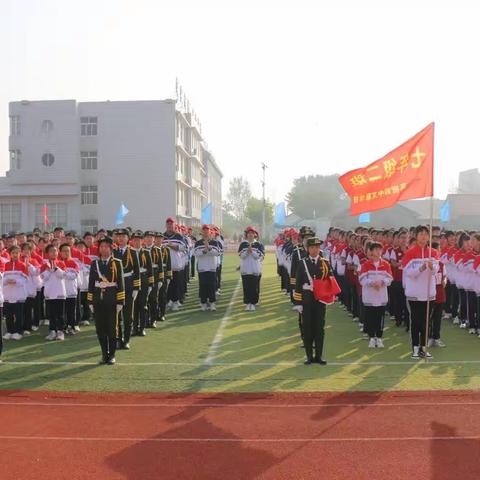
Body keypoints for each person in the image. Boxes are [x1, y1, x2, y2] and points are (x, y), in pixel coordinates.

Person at [293, 237, 334, 365]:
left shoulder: (325, 263)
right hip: (306, 299)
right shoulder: (302, 263)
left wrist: (328, 295)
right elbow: (298, 284)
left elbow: (330, 280)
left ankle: (319, 356)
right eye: (312, 247)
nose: (315, 250)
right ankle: (309, 356)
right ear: (307, 249)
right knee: (307, 328)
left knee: (319, 328)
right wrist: (298, 303)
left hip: (320, 299)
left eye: (317, 247)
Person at [402, 225, 439, 359]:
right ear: (416, 236)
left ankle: (424, 347)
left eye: (425, 234)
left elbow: (436, 271)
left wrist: (431, 267)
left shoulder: (433, 253)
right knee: (416, 321)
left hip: (429, 293)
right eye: (421, 234)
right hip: (415, 294)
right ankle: (415, 348)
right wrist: (422, 268)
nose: (423, 236)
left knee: (426, 322)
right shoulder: (410, 253)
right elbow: (409, 273)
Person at [87, 236, 125, 365]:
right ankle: (104, 354)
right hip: (98, 300)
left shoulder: (117, 263)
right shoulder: (94, 263)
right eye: (101, 247)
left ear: (110, 248)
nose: (103, 249)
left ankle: (112, 354)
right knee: (100, 329)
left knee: (112, 329)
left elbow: (120, 283)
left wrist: (120, 302)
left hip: (112, 299)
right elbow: (91, 283)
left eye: (105, 247)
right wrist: (90, 301)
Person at [358, 242, 393, 348]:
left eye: (380, 250)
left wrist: (382, 282)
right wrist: (372, 283)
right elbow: (362, 279)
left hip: (381, 296)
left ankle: (379, 337)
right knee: (370, 317)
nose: (378, 252)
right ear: (371, 251)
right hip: (369, 296)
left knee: (380, 317)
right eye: (376, 250)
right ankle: (372, 338)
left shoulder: (386, 264)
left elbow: (390, 278)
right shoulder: (366, 265)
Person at [113, 228, 140, 350]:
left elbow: (137, 271)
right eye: (118, 236)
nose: (121, 238)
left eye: (123, 236)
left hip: (129, 285)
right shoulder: (113, 251)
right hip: (117, 286)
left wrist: (136, 288)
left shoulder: (133, 252)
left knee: (128, 314)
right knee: (117, 314)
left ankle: (126, 339)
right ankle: (118, 339)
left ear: (128, 238)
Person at [40, 245, 67, 341]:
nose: (54, 253)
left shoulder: (61, 263)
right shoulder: (44, 265)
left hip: (60, 292)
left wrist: (56, 268)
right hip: (49, 293)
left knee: (60, 314)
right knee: (51, 314)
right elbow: (44, 277)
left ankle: (60, 332)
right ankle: (52, 331)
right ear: (47, 253)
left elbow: (63, 276)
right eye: (51, 251)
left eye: (55, 251)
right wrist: (48, 270)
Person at [2, 245, 28, 341]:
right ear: (10, 254)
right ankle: (10, 331)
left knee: (18, 314)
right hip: (8, 294)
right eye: (13, 253)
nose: (15, 255)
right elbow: (2, 278)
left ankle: (18, 332)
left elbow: (25, 279)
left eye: (17, 253)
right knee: (9, 315)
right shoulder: (5, 265)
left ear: (20, 253)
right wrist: (6, 281)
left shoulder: (23, 265)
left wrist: (16, 281)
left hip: (19, 294)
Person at [194, 225, 221, 311]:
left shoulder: (214, 242)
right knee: (203, 286)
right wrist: (203, 251)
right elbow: (196, 254)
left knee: (211, 286)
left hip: (211, 268)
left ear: (210, 232)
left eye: (207, 230)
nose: (205, 232)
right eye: (204, 230)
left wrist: (209, 248)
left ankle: (212, 303)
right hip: (202, 268)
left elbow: (217, 253)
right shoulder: (198, 243)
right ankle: (203, 303)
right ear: (201, 232)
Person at [131, 230, 153, 336]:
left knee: (143, 305)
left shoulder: (146, 252)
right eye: (135, 240)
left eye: (139, 240)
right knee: (133, 305)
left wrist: (150, 284)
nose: (137, 242)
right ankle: (134, 327)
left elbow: (150, 269)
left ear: (142, 241)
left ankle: (142, 327)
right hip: (132, 280)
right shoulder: (129, 252)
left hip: (143, 279)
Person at [238, 226, 265, 311]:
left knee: (254, 287)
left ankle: (253, 303)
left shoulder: (259, 245)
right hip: (245, 269)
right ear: (246, 234)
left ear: (255, 235)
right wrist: (247, 251)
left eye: (252, 233)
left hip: (255, 269)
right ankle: (247, 303)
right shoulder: (243, 244)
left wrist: (251, 251)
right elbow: (241, 256)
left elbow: (259, 257)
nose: (250, 235)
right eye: (249, 233)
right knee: (246, 287)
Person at [163, 217, 186, 311]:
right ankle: (169, 301)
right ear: (166, 225)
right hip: (165, 265)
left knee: (176, 284)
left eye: (171, 224)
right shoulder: (162, 236)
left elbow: (184, 247)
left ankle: (176, 301)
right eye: (168, 224)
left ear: (174, 225)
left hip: (176, 264)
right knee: (168, 285)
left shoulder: (179, 236)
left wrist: (172, 246)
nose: (169, 226)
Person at [59, 243, 81, 335]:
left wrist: (64, 274)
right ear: (60, 252)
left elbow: (74, 275)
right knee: (62, 312)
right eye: (64, 251)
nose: (66, 253)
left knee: (71, 311)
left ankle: (71, 326)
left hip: (71, 291)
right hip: (60, 292)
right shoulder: (57, 263)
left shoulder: (73, 263)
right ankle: (62, 328)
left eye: (68, 251)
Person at [143, 231, 164, 328]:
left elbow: (160, 265)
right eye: (147, 237)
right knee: (144, 300)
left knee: (153, 299)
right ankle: (145, 320)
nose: (149, 239)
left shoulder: (157, 250)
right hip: (144, 276)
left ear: (153, 239)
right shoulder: (141, 250)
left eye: (151, 237)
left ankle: (153, 319)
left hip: (155, 276)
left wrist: (160, 279)